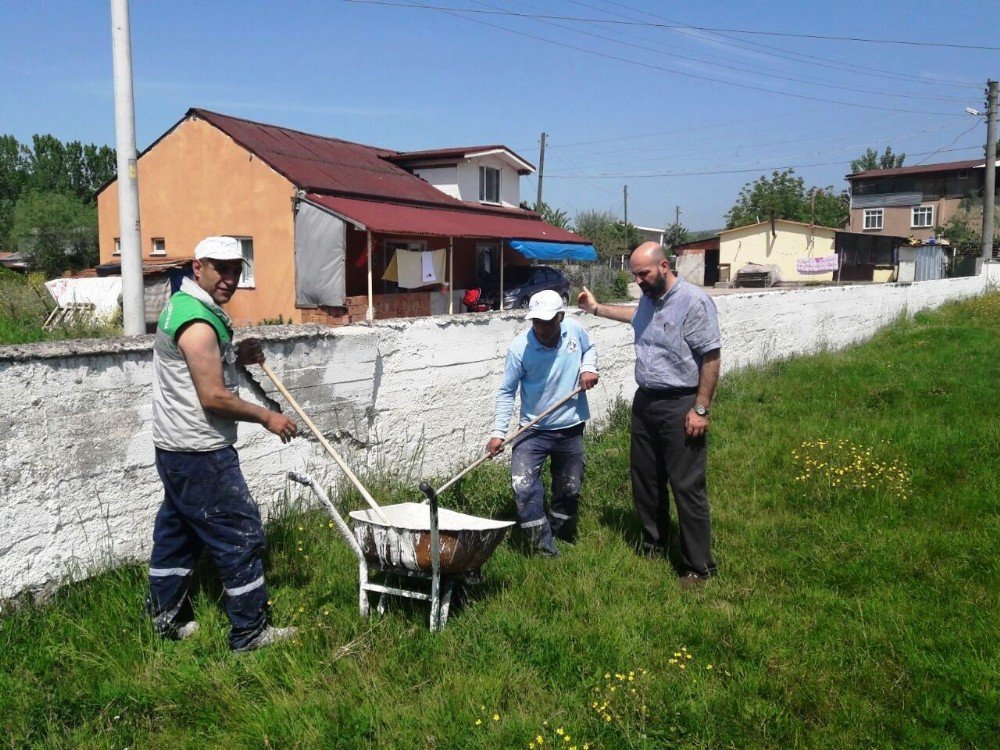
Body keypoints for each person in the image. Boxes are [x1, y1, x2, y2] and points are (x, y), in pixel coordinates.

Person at [147, 236, 300, 651]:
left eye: (236, 270)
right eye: (221, 269)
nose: (230, 278)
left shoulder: (185, 306)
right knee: (239, 533)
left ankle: (163, 620)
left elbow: (201, 366)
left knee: (178, 534)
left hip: (174, 446)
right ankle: (250, 632)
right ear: (199, 268)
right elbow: (212, 396)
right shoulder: (197, 324)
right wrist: (268, 416)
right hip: (200, 452)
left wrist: (235, 354)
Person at [577, 242, 721, 588]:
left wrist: (700, 408)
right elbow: (634, 317)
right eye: (635, 275)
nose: (639, 280)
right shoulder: (648, 300)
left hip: (680, 403)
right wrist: (596, 309)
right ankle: (654, 545)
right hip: (646, 402)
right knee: (646, 480)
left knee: (686, 486)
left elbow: (711, 357)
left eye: (644, 273)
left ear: (664, 266)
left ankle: (697, 567)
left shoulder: (694, 302)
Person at [486, 289, 599, 557]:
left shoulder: (574, 330)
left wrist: (588, 368)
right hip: (532, 430)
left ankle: (559, 530)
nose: (543, 328)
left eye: (549, 322)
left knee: (570, 488)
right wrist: (498, 432)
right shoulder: (519, 348)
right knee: (523, 487)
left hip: (570, 426)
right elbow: (506, 391)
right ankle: (543, 547)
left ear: (561, 316)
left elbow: (590, 349)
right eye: (537, 322)